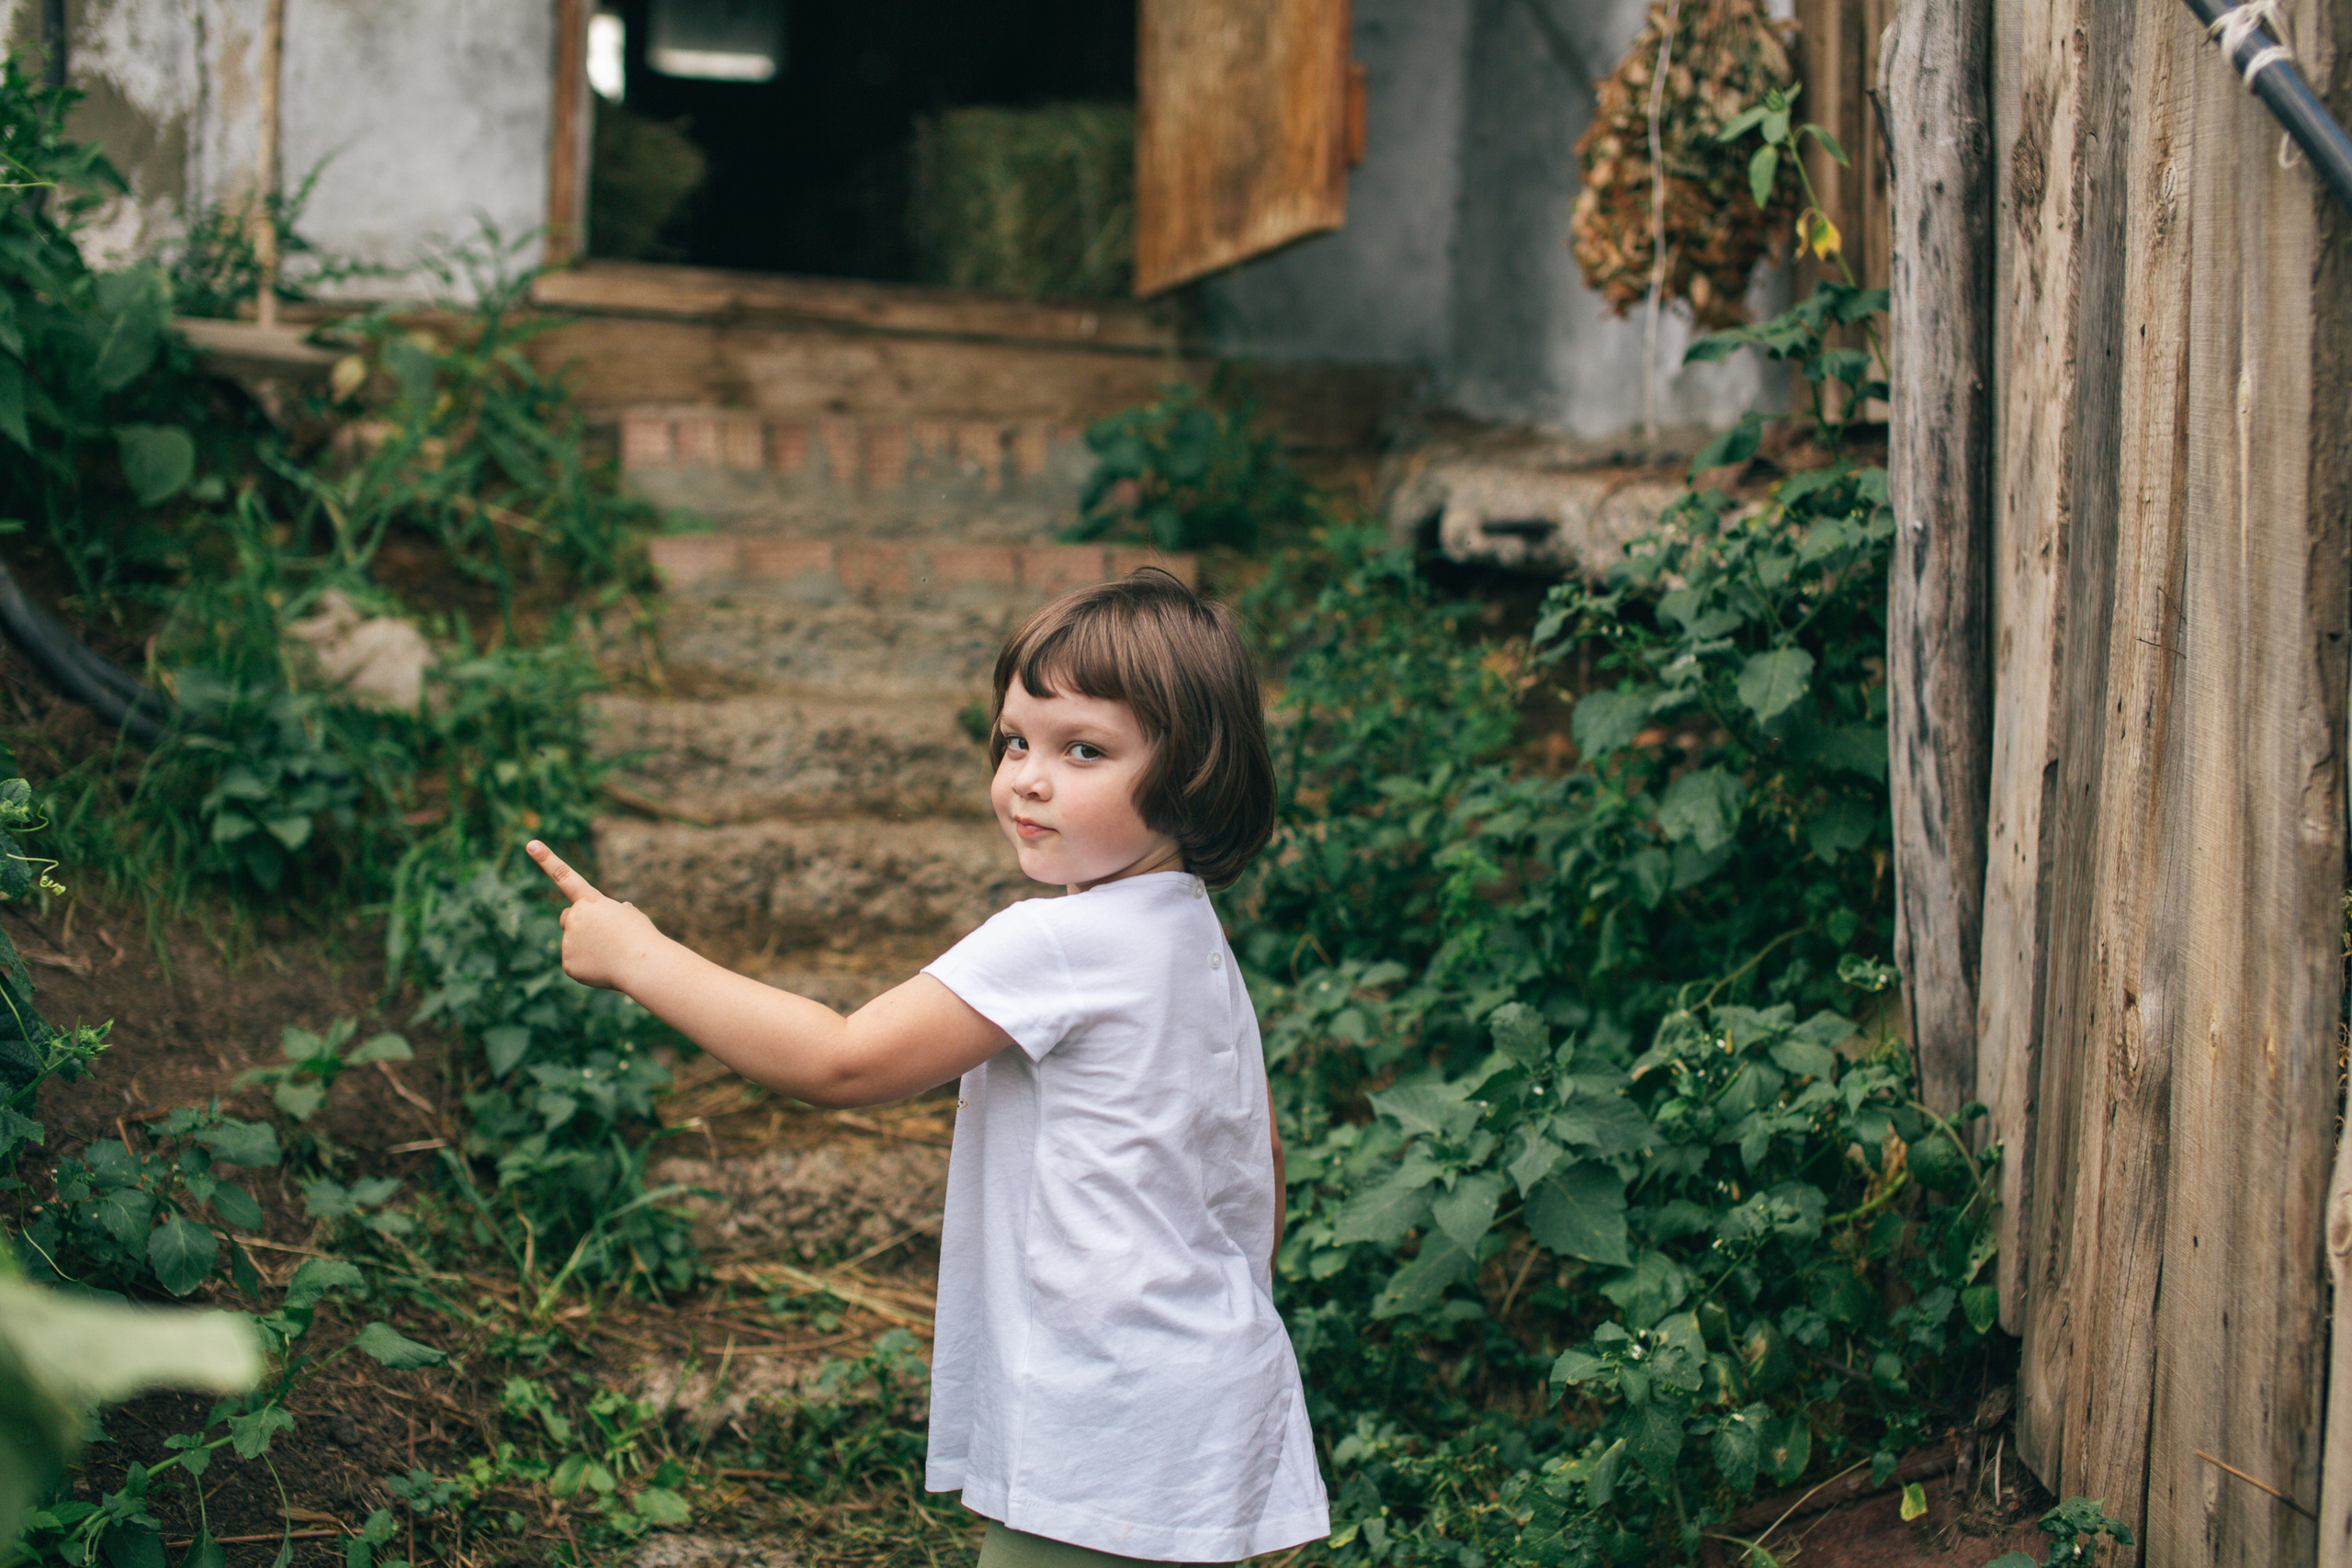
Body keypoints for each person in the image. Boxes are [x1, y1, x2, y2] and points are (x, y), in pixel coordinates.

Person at [526, 568, 1329, 1568]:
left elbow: (840, 1060)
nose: (1029, 777)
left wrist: (637, 954)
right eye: (1014, 742)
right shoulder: (1190, 937)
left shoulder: (1060, 943)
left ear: (1194, 771)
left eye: (1084, 749)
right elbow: (1258, 1164)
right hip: (1202, 1398)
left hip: (1105, 1428)